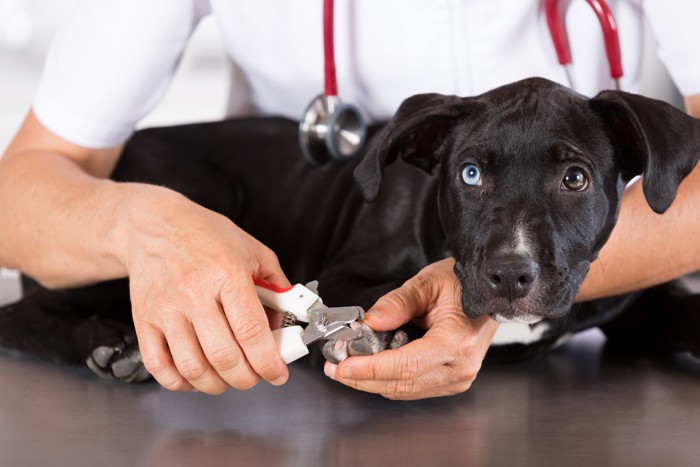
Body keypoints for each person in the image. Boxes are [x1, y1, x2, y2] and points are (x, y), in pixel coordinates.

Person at [1, 0, 699, 400]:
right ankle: (50, 323)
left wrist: (606, 286)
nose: (516, 253)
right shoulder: (401, 212)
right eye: (474, 176)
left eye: (573, 177)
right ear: (417, 154)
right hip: (219, 190)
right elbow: (20, 191)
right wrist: (149, 227)